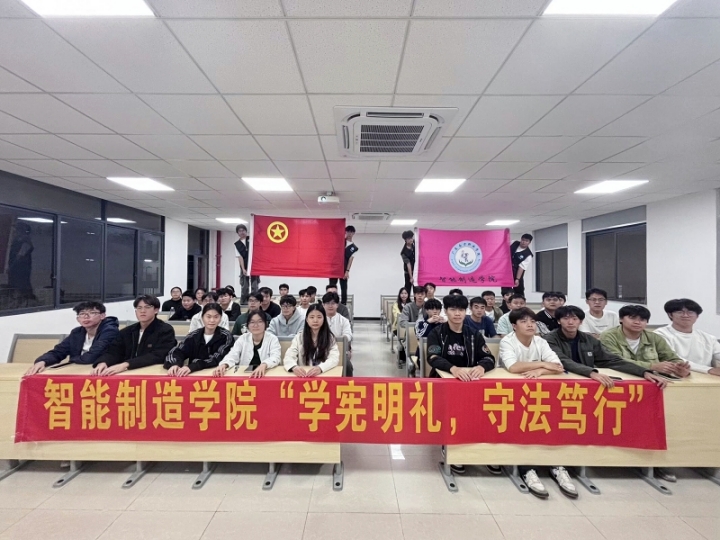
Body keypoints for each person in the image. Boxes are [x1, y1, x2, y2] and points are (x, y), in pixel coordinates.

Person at [498, 308, 574, 499]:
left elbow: (557, 366)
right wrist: (542, 364)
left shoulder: (541, 341)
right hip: (511, 395)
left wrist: (541, 370)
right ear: (514, 326)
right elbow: (513, 366)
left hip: (540, 394)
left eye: (532, 321)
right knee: (523, 426)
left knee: (552, 423)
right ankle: (527, 468)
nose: (530, 325)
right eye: (524, 321)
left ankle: (556, 465)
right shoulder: (507, 341)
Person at [545, 305, 668, 387]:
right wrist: (591, 373)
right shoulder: (549, 339)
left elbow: (611, 360)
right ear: (559, 321)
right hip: (560, 380)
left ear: (581, 321)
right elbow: (563, 361)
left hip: (586, 380)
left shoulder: (589, 340)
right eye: (565, 319)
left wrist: (643, 372)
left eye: (574, 319)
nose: (570, 322)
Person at [26, 301, 120, 375]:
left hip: (99, 371)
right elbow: (59, 351)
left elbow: (92, 357)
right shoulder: (77, 332)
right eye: (82, 314)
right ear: (78, 319)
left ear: (102, 316)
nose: (86, 317)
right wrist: (43, 361)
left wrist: (72, 360)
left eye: (92, 313)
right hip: (77, 370)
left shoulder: (110, 331)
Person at [92, 295, 176, 375]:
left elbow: (158, 355)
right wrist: (103, 362)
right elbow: (114, 351)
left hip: (152, 371)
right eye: (139, 308)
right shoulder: (127, 331)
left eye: (147, 307)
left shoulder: (165, 330)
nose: (142, 311)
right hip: (127, 372)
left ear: (156, 310)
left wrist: (126, 364)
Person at [600, 305, 691, 379]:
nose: (637, 322)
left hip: (653, 380)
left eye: (642, 320)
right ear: (621, 319)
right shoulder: (609, 336)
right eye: (632, 318)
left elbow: (671, 357)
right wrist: (652, 366)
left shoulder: (654, 338)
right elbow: (616, 361)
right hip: (621, 379)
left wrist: (678, 367)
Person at [164, 303, 234, 376]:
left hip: (215, 374)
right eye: (208, 317)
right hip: (193, 375)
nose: (212, 320)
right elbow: (177, 351)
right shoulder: (193, 336)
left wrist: (193, 366)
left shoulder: (226, 336)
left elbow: (218, 358)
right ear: (202, 318)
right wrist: (175, 364)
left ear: (220, 318)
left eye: (216, 317)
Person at [655, 298, 720, 377]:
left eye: (690, 312)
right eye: (680, 312)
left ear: (697, 316)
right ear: (670, 315)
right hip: (676, 377)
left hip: (707, 377)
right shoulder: (660, 335)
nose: (685, 315)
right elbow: (674, 359)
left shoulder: (708, 338)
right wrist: (708, 370)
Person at [214, 310, 281, 378]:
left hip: (266, 373)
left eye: (260, 321)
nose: (256, 325)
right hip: (244, 375)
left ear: (265, 324)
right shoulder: (243, 338)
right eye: (252, 322)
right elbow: (233, 355)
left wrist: (264, 364)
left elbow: (275, 357)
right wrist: (224, 364)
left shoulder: (272, 339)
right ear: (248, 325)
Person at [283, 304, 340, 376]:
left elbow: (334, 358)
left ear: (324, 319)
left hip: (323, 374)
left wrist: (320, 368)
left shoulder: (330, 338)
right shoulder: (299, 337)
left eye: (319, 317)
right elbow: (289, 356)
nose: (315, 320)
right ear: (307, 319)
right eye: (312, 317)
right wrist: (294, 367)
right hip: (304, 375)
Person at [323, 292, 354, 376]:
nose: (330, 306)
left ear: (337, 305)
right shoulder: (319, 319)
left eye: (333, 303)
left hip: (339, 350)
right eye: (327, 303)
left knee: (348, 366)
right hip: (321, 351)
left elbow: (348, 335)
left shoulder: (343, 320)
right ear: (323, 305)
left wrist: (340, 340)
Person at [329, 225, 358, 305]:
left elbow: (350, 260)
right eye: (348, 232)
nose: (349, 234)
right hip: (334, 267)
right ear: (345, 232)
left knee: (344, 287)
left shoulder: (354, 247)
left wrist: (347, 271)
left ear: (353, 233)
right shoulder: (339, 241)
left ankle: (343, 303)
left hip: (344, 268)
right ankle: (331, 301)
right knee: (332, 286)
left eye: (351, 232)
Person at [398, 285, 426, 365]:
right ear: (414, 295)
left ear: (425, 295)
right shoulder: (408, 307)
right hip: (411, 334)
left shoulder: (428, 306)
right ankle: (412, 363)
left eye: (422, 294)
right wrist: (415, 326)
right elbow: (402, 322)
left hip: (425, 334)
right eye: (418, 294)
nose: (420, 296)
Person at [235, 223, 259, 303]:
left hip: (254, 265)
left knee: (254, 285)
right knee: (244, 285)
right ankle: (244, 301)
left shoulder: (252, 239)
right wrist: (243, 269)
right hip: (244, 266)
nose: (242, 232)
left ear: (246, 231)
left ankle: (256, 300)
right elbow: (240, 257)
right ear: (237, 233)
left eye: (243, 230)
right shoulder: (237, 244)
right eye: (240, 231)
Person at [392, 287, 409, 363]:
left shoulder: (411, 304)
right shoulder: (396, 304)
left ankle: (409, 356)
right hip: (397, 327)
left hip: (408, 327)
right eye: (402, 293)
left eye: (405, 293)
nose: (404, 295)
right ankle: (402, 357)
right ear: (399, 295)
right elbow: (397, 315)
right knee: (403, 338)